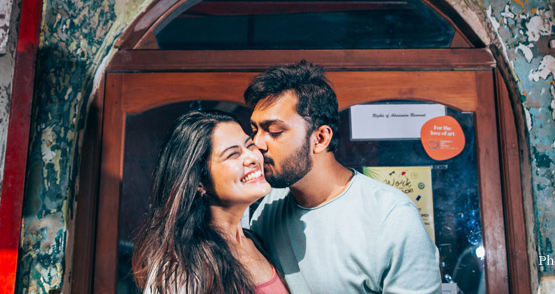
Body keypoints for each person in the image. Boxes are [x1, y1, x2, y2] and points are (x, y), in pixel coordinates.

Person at [245, 61, 442, 294]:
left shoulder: (391, 216)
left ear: (320, 138)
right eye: (255, 130)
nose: (257, 143)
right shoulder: (270, 204)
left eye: (274, 131)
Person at [132, 110, 290, 294]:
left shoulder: (259, 243)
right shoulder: (183, 268)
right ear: (200, 182)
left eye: (249, 145)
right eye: (233, 154)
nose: (252, 157)